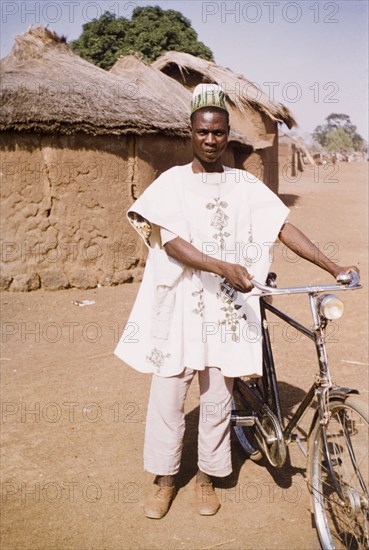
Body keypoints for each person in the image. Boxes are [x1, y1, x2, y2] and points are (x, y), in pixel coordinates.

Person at [114, 84, 359, 519]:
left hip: (226, 310)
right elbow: (169, 242)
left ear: (229, 135)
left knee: (217, 398)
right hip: (180, 309)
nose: (211, 140)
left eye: (219, 132)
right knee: (169, 394)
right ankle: (166, 480)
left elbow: (283, 227)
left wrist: (331, 265)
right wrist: (222, 267)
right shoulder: (171, 183)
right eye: (203, 132)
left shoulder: (245, 184)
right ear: (190, 132)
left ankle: (207, 478)